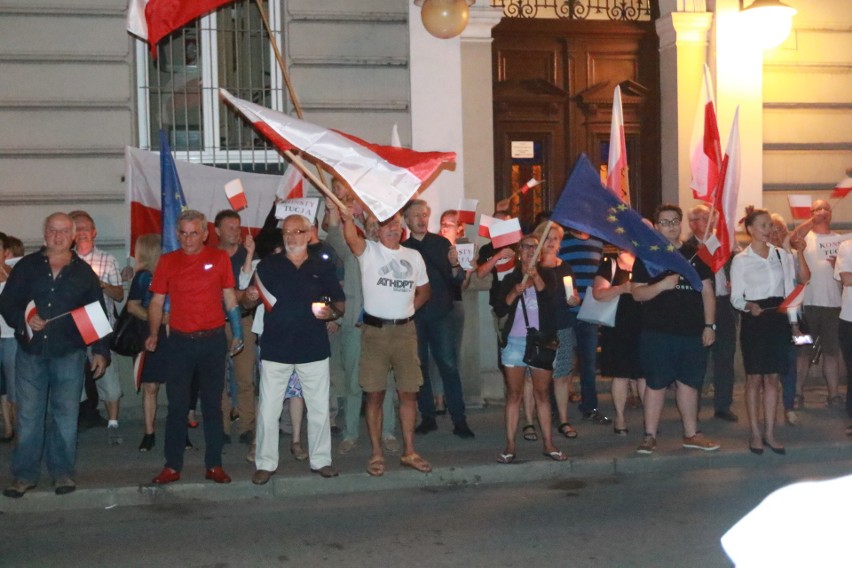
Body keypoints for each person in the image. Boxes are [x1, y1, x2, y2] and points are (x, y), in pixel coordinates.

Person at [0, 213, 110, 497]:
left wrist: (99, 350)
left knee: (65, 416)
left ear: (73, 236)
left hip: (68, 354)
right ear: (44, 233)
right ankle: (24, 476)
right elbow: (8, 303)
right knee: (29, 416)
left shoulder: (84, 272)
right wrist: (25, 319)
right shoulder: (26, 267)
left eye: (64, 231)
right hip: (31, 352)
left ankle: (62, 473)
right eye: (52, 230)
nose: (58, 236)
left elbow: (97, 313)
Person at [244, 214, 345, 484]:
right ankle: (265, 463)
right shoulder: (269, 265)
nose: (291, 237)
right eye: (286, 232)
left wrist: (328, 313)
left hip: (313, 348)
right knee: (268, 409)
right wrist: (249, 297)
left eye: (297, 232)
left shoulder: (321, 267)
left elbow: (339, 304)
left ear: (309, 233)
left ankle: (321, 460)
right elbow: (247, 299)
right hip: (276, 347)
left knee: (319, 408)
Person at [146, 210, 243, 485]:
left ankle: (214, 464)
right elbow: (156, 302)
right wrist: (153, 333)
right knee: (177, 407)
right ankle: (172, 466)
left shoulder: (218, 258)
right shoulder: (167, 261)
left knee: (212, 406)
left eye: (193, 233)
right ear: (178, 234)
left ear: (204, 234)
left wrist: (237, 332)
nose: (188, 239)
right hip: (179, 342)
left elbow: (229, 297)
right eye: (183, 233)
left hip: (212, 341)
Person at [338, 204, 433, 477]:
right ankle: (377, 453)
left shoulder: (414, 256)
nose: (392, 227)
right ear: (376, 230)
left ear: (402, 228)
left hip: (405, 332)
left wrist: (408, 310)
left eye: (396, 223)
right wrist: (346, 218)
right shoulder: (368, 251)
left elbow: (425, 290)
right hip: (375, 334)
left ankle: (410, 451)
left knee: (408, 393)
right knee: (375, 394)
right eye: (386, 224)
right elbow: (351, 238)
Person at [631, 204, 720, 455]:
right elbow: (637, 294)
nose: (670, 226)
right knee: (656, 384)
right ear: (657, 226)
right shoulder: (648, 255)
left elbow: (708, 294)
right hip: (657, 331)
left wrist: (709, 325)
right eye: (664, 222)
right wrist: (661, 286)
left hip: (692, 331)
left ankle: (692, 434)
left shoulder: (696, 254)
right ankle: (649, 435)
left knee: (689, 384)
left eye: (674, 221)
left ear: (680, 224)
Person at [324, 183, 399, 455]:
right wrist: (333, 211)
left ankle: (388, 432)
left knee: (386, 383)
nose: (372, 226)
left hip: (384, 328)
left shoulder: (395, 257)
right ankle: (350, 434)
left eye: (376, 223)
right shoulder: (355, 252)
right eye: (369, 221)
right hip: (355, 328)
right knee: (354, 382)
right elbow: (334, 237)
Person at [402, 199, 474, 438]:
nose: (422, 220)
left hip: (442, 315)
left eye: (424, 215)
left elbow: (457, 281)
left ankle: (459, 420)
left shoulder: (441, 244)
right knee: (419, 367)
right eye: (416, 216)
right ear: (407, 220)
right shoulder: (402, 249)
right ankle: (428, 417)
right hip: (415, 317)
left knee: (449, 366)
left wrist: (456, 266)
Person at [731, 207, 799, 455]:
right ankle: (755, 432)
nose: (768, 230)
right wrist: (749, 306)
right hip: (755, 321)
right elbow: (736, 297)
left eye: (770, 225)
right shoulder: (741, 260)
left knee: (773, 379)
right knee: (754, 378)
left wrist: (793, 323)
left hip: (777, 320)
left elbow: (790, 293)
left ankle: (770, 431)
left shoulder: (782, 256)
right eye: (762, 225)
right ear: (750, 229)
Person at [493, 234, 567, 463]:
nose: (529, 251)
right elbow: (499, 308)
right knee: (514, 394)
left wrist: (536, 277)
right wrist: (515, 291)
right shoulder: (510, 277)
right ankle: (510, 445)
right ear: (518, 251)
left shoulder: (548, 275)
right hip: (515, 341)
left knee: (542, 393)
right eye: (525, 247)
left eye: (534, 248)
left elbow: (551, 300)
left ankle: (548, 443)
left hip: (541, 341)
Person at [69, 210, 125, 443]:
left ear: (94, 232)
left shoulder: (108, 259)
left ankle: (113, 422)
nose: (82, 232)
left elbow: (120, 295)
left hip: (99, 326)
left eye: (85, 228)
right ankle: (78, 419)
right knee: (73, 378)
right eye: (77, 228)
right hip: (71, 329)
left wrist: (100, 285)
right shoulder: (65, 260)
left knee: (107, 377)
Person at [686, 204, 739, 422]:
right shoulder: (686, 248)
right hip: (698, 308)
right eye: (702, 218)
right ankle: (692, 407)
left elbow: (736, 269)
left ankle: (723, 405)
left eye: (710, 217)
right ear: (692, 223)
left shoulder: (723, 245)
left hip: (724, 305)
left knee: (725, 357)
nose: (709, 222)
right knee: (697, 359)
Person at [791, 200, 843, 408]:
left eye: (825, 209)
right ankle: (797, 394)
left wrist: (837, 265)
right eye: (816, 209)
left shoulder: (842, 241)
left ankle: (833, 394)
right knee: (803, 352)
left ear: (831, 214)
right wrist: (812, 220)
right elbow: (792, 238)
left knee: (831, 352)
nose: (821, 212)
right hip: (807, 306)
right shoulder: (804, 239)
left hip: (834, 306)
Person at [213, 210, 258, 446]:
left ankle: (247, 426)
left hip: (243, 321)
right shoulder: (209, 256)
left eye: (237, 226)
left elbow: (251, 292)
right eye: (229, 227)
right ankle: (221, 427)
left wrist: (247, 297)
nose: (235, 231)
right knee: (217, 379)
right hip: (215, 323)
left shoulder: (248, 255)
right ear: (217, 230)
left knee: (244, 378)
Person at [558, 227, 611, 424]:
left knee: (588, 364)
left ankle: (590, 407)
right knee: (563, 364)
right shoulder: (563, 240)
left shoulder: (598, 242)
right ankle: (557, 410)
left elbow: (600, 274)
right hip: (566, 311)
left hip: (588, 313)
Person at [534, 221, 579, 439]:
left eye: (556, 239)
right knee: (536, 377)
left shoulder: (565, 267)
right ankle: (532, 421)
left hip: (562, 324)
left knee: (561, 375)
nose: (552, 243)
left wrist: (574, 300)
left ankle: (563, 419)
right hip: (538, 327)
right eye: (548, 238)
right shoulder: (533, 268)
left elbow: (573, 294)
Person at [592, 249, 644, 435]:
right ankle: (620, 417)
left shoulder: (644, 261)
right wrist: (622, 288)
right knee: (620, 374)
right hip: (617, 326)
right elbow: (598, 293)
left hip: (643, 324)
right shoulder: (610, 264)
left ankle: (649, 420)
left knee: (644, 373)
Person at [768, 213, 810, 426]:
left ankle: (789, 405)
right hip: (768, 319)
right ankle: (770, 409)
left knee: (791, 362)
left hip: (794, 317)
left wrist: (798, 251)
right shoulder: (761, 258)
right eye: (771, 229)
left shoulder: (792, 256)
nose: (775, 234)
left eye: (779, 230)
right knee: (770, 367)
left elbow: (804, 279)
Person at [126, 234, 165, 452]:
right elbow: (132, 306)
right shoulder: (143, 277)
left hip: (170, 334)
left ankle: (181, 431)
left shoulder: (168, 273)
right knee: (150, 385)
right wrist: (156, 319)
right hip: (147, 334)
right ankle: (149, 431)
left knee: (177, 386)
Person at [0, 232, 17, 443]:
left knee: (13, 386)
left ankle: (18, 428)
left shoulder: (13, 274)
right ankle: (7, 426)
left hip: (11, 336)